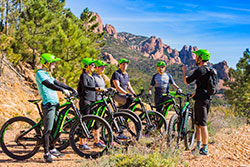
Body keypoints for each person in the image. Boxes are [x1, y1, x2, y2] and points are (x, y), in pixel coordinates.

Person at [35, 53, 77, 163]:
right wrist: (62, 90)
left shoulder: (48, 74)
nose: (54, 65)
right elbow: (49, 85)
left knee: (57, 127)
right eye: (53, 63)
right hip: (48, 104)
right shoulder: (40, 73)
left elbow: (57, 83)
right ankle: (46, 153)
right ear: (47, 63)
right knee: (48, 129)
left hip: (55, 103)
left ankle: (53, 148)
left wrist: (70, 88)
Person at [182, 49, 212, 156]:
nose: (195, 59)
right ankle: (198, 146)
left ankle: (205, 148)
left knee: (202, 125)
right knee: (198, 124)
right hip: (207, 99)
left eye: (196, 57)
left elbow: (186, 81)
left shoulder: (199, 71)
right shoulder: (210, 70)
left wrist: (184, 71)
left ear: (200, 58)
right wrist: (195, 93)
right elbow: (202, 86)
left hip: (201, 101)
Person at [77, 58, 107, 150]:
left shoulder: (90, 76)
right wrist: (96, 89)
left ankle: (94, 141)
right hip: (85, 100)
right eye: (92, 65)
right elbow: (85, 86)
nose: (94, 67)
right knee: (85, 121)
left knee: (92, 120)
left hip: (92, 100)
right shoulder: (84, 76)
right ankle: (82, 143)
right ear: (86, 66)